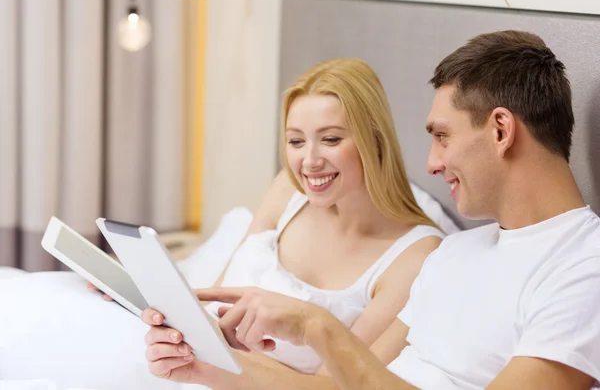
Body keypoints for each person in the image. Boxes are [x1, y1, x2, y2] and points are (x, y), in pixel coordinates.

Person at [141, 30, 600, 390]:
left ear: (500, 130)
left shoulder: (583, 266)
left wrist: (318, 327)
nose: (432, 163)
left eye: (442, 136)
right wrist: (198, 367)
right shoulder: (456, 255)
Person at [100, 58, 444, 375]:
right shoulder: (289, 191)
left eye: (330, 139)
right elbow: (215, 304)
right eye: (296, 141)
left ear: (374, 139)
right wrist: (153, 303)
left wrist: (209, 364)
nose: (309, 161)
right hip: (195, 367)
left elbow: (341, 383)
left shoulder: (416, 257)